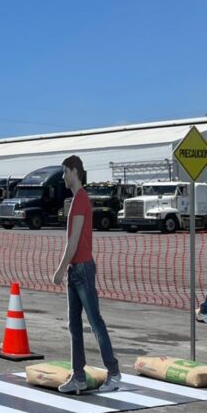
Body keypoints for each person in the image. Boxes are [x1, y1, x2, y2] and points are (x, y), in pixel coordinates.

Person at [52, 155, 121, 394]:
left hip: (82, 268)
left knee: (95, 321)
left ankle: (113, 373)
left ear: (74, 171)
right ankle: (78, 376)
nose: (63, 177)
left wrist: (60, 270)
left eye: (64, 172)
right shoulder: (75, 200)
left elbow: (74, 240)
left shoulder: (81, 200)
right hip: (75, 269)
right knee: (74, 325)